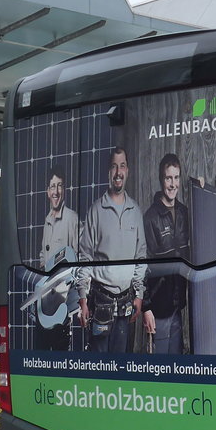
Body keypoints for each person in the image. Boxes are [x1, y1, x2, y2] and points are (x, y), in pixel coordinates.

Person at [77, 147, 147, 352]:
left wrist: (139, 294)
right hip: (100, 303)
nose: (118, 172)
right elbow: (85, 257)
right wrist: (83, 297)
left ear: (128, 171)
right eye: (114, 166)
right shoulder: (96, 210)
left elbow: (141, 257)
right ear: (109, 172)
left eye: (122, 166)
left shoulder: (135, 212)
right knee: (100, 367)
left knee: (121, 369)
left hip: (126, 304)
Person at [142, 153, 191, 354]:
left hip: (177, 305)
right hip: (158, 308)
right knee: (158, 370)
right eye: (168, 178)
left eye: (176, 177)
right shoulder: (151, 217)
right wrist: (146, 307)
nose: (173, 184)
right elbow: (142, 264)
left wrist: (203, 188)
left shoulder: (184, 213)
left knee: (176, 368)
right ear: (161, 180)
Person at [35, 165, 79, 350]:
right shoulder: (46, 221)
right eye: (53, 186)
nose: (56, 191)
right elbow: (43, 257)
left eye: (59, 186)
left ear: (64, 189)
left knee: (61, 353)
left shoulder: (72, 219)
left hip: (64, 302)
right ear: (47, 191)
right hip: (47, 301)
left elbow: (79, 259)